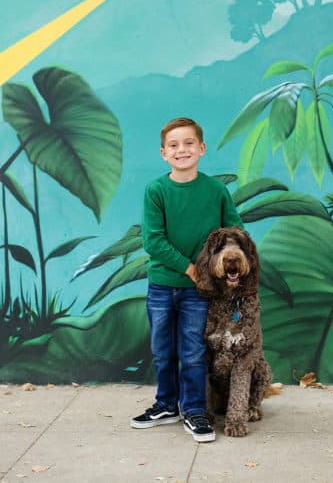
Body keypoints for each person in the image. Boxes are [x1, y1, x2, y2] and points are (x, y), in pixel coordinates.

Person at [130, 117, 243, 443]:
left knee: (193, 351)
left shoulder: (216, 190)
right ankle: (166, 404)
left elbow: (233, 231)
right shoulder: (156, 191)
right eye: (174, 146)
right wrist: (192, 268)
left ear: (201, 148)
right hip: (162, 287)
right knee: (162, 351)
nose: (182, 150)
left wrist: (217, 267)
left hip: (199, 292)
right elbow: (153, 241)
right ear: (164, 153)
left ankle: (194, 411)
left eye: (189, 143)